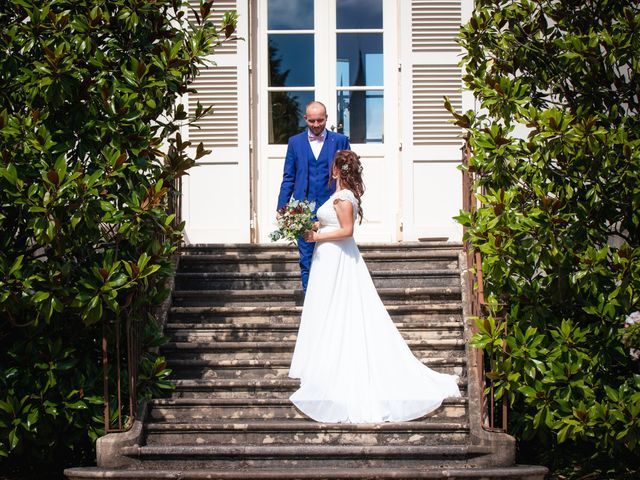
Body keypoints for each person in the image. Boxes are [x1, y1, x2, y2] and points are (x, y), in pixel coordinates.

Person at [288, 150, 461, 423]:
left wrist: (316, 236)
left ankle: (336, 373)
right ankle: (323, 370)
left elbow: (346, 231)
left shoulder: (344, 198)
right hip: (328, 259)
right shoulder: (338, 196)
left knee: (339, 312)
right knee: (327, 313)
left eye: (333, 167)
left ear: (336, 170)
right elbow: (330, 222)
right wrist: (300, 223)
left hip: (337, 259)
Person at [276, 101, 350, 292]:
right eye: (312, 121)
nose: (316, 125)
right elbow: (289, 177)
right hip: (303, 209)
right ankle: (310, 301)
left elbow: (349, 173)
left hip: (333, 208)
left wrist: (351, 200)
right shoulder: (295, 142)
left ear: (326, 118)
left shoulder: (340, 141)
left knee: (332, 254)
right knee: (307, 257)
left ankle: (332, 297)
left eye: (320, 120)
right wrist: (281, 207)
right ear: (305, 119)